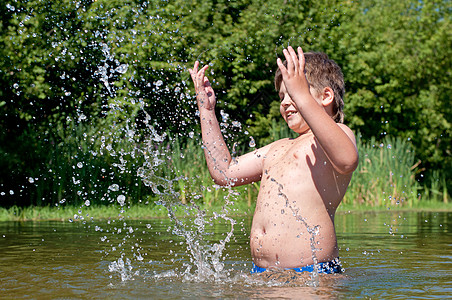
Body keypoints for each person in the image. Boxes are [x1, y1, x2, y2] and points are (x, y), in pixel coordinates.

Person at [189, 46, 358, 274]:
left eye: (294, 92)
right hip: (262, 275)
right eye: (282, 96)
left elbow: (347, 160)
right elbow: (224, 172)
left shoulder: (337, 135)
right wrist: (207, 111)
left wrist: (302, 97)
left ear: (326, 96)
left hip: (312, 275)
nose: (286, 102)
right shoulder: (277, 148)